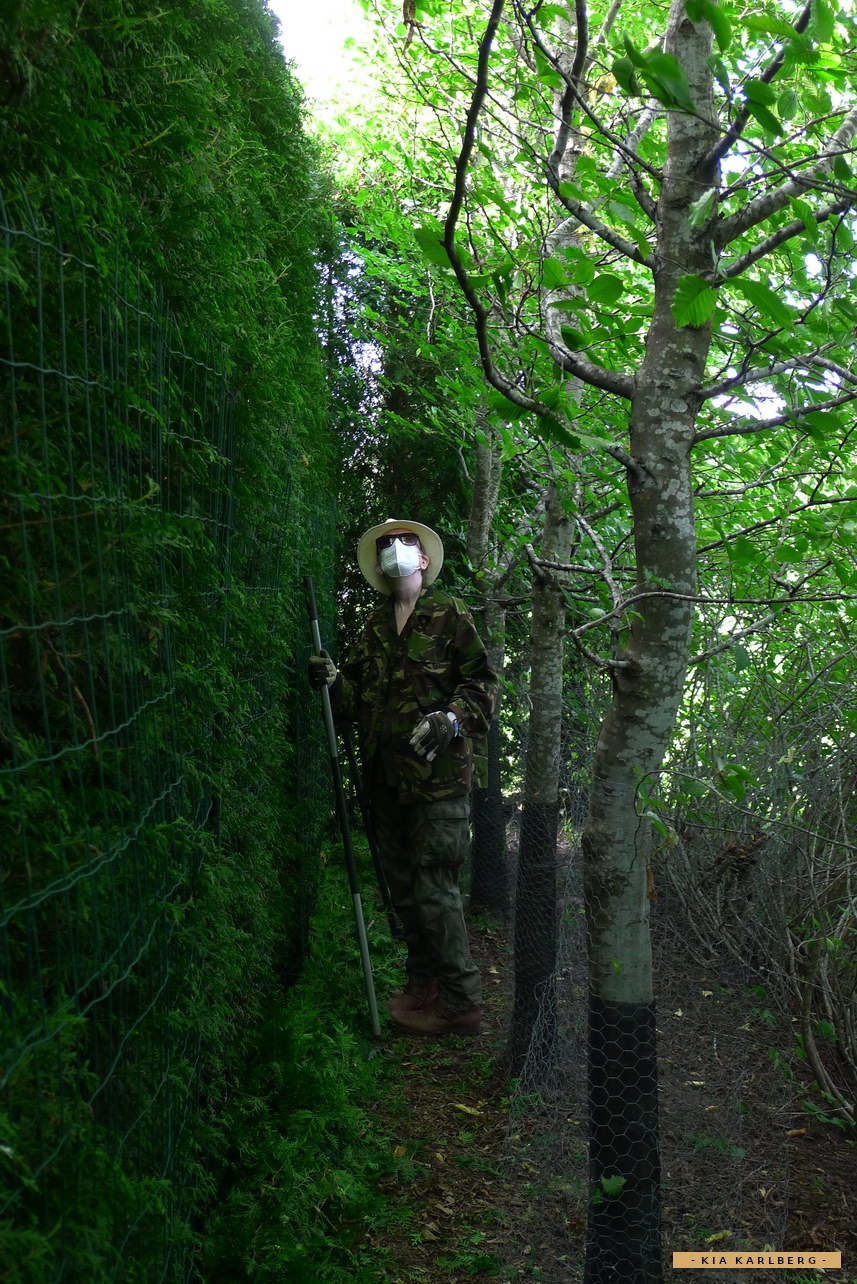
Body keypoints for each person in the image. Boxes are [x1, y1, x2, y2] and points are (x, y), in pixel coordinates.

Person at [308, 518, 498, 1036]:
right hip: (385, 779)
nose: (395, 549)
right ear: (378, 565)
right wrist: (333, 682)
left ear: (424, 560)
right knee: (403, 888)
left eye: (405, 543)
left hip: (438, 781)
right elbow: (357, 702)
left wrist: (451, 717)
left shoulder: (449, 614)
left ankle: (461, 1002)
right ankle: (423, 982)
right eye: (386, 545)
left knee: (435, 888)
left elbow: (483, 684)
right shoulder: (374, 626)